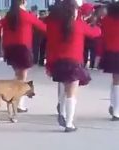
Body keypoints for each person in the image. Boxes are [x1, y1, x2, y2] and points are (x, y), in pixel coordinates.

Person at [46, 0, 101, 132]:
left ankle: (62, 113)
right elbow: (96, 33)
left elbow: (50, 46)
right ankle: (69, 123)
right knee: (72, 92)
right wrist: (95, 23)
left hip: (58, 62)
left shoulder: (54, 26)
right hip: (74, 62)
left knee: (65, 88)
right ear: (74, 11)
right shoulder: (78, 25)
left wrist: (49, 65)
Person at [2, 0, 46, 113]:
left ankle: (13, 99)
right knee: (22, 77)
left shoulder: (8, 15)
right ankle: (18, 103)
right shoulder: (26, 15)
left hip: (10, 48)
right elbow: (43, 27)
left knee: (17, 75)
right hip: (22, 47)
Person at [99, 1, 119, 121]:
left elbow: (103, 36)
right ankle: (116, 109)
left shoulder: (106, 20)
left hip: (110, 52)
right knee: (117, 81)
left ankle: (114, 105)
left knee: (115, 79)